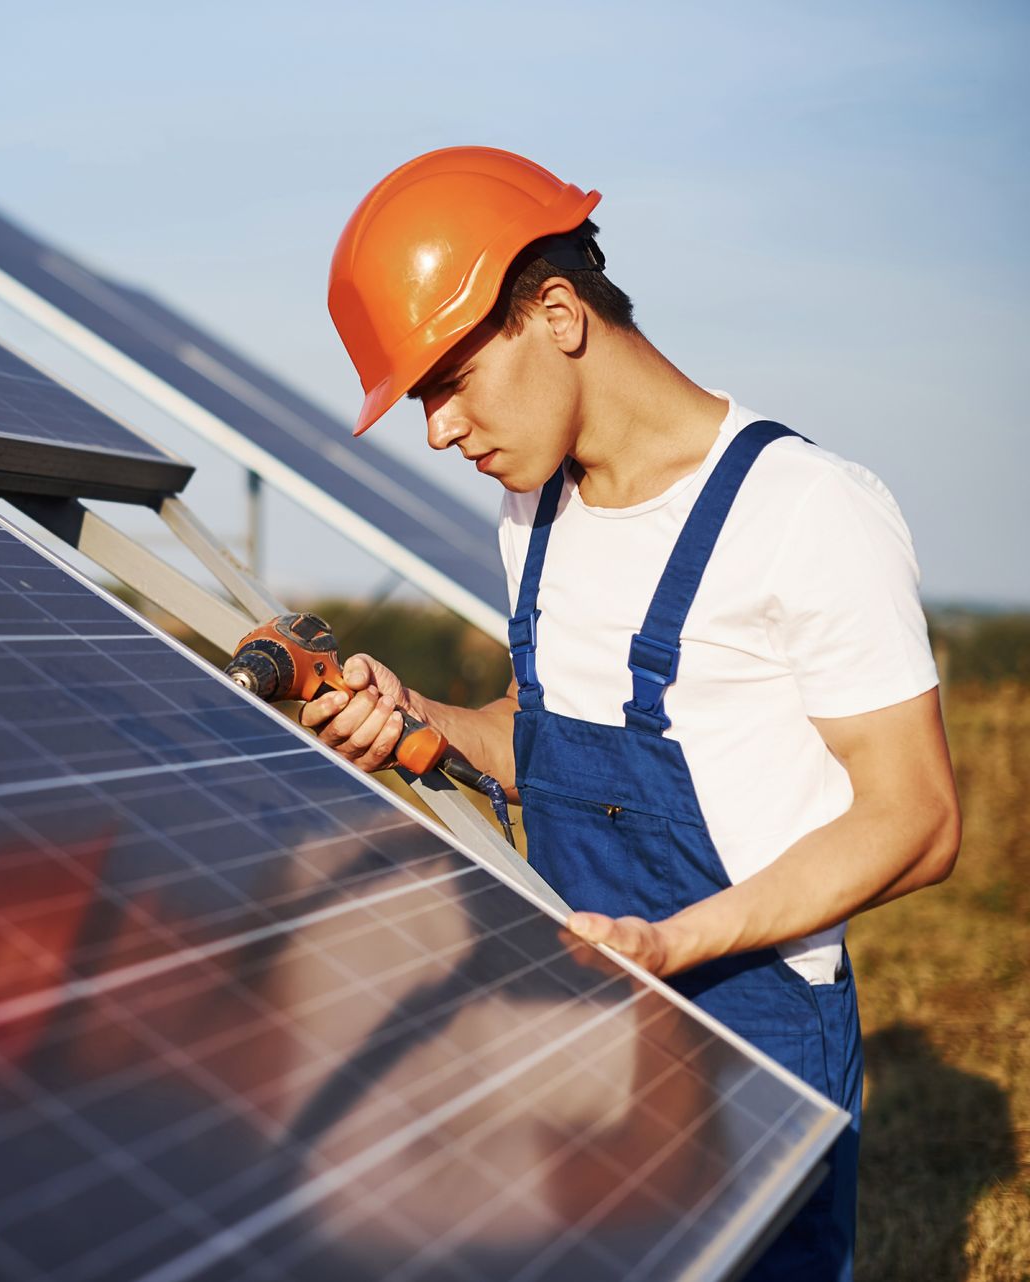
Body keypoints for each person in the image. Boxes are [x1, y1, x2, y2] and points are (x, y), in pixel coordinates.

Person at [308, 145, 961, 1281]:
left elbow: (916, 820)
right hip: (577, 1013)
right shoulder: (534, 512)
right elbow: (545, 736)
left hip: (749, 1032)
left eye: (450, 380)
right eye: (420, 401)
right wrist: (423, 720)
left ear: (558, 315)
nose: (439, 431)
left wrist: (669, 944)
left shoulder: (806, 511)